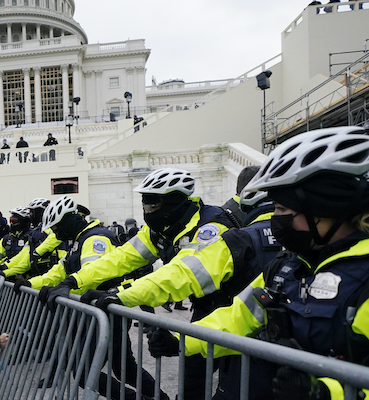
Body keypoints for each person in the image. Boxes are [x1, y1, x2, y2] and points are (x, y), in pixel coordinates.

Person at [149, 127, 369, 400]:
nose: (275, 219)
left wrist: (326, 393)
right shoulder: (286, 267)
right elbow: (236, 318)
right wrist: (181, 340)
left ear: (326, 208)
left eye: (283, 210)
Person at [42, 168, 238, 400]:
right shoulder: (160, 230)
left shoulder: (211, 228)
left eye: (152, 205)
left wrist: (121, 294)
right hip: (206, 312)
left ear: (174, 201)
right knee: (191, 386)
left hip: (237, 315)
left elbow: (180, 275)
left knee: (233, 387)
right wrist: (73, 280)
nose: (147, 212)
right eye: (144, 204)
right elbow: (120, 258)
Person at [0, 198, 64, 279]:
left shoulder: (52, 229)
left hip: (56, 273)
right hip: (39, 275)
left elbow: (52, 240)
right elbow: (24, 257)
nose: (30, 215)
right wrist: (4, 268)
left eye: (32, 212)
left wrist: (37, 252)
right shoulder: (35, 232)